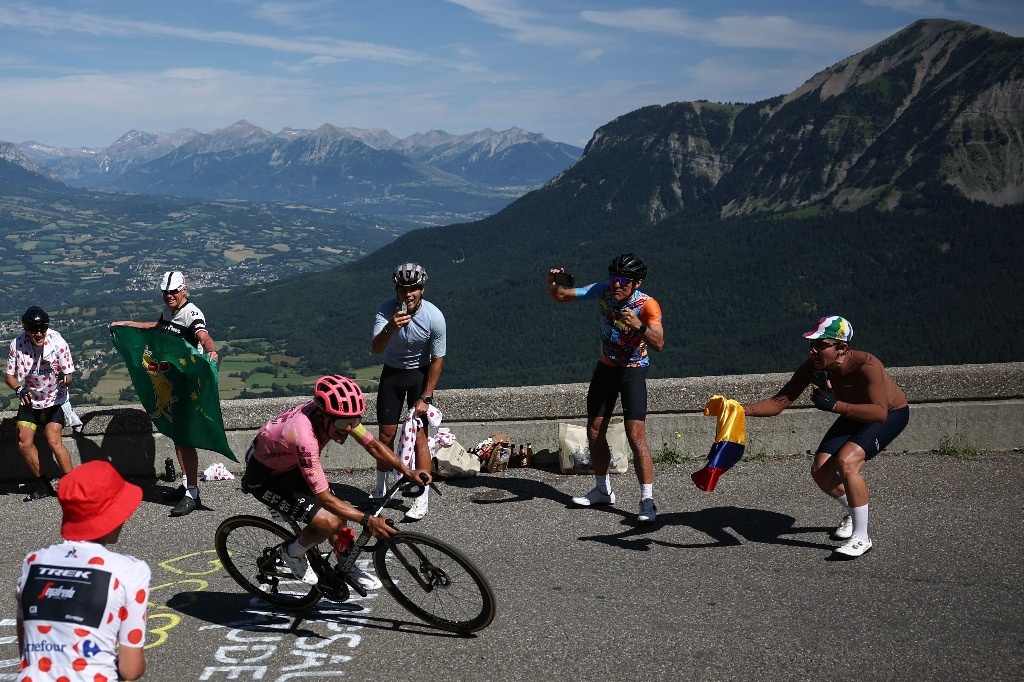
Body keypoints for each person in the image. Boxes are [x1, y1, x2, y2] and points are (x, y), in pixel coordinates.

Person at [741, 315, 910, 558]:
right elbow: (779, 403)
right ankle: (854, 514)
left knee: (847, 461)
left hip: (888, 414)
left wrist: (835, 406)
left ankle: (862, 537)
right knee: (821, 472)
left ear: (842, 348)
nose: (813, 351)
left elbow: (879, 412)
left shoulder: (866, 365)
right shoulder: (813, 367)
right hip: (852, 412)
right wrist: (738, 408)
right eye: (811, 344)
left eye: (820, 345)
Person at [241, 374, 432, 588]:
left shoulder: (340, 418)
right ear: (323, 417)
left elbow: (374, 446)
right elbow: (324, 498)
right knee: (329, 522)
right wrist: (368, 520)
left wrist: (406, 470)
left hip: (290, 465)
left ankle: (345, 564)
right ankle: (291, 554)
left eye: (355, 421)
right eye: (343, 423)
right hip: (266, 478)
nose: (349, 429)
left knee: (341, 517)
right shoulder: (304, 437)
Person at [547, 253, 665, 524]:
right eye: (614, 279)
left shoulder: (647, 305)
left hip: (633, 372)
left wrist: (639, 327)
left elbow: (658, 342)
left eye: (623, 281)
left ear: (637, 282)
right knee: (594, 430)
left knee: (636, 437)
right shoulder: (602, 292)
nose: (616, 285)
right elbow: (561, 296)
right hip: (606, 368)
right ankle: (603, 490)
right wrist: (552, 284)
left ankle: (647, 500)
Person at [16, 460, 150, 681]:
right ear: (114, 514)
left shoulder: (33, 562)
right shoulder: (131, 570)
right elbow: (131, 669)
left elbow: (27, 650)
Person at [111, 270, 220, 517]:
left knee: (184, 439)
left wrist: (212, 352)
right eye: (165, 292)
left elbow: (203, 335)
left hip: (188, 384)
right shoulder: (170, 311)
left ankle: (192, 493)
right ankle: (186, 485)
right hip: (175, 382)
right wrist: (128, 325)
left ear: (184, 290)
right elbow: (158, 327)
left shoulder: (191, 313)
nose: (169, 296)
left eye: (173, 292)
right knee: (178, 437)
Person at [370, 262, 446, 520]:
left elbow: (438, 359)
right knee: (385, 436)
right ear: (397, 290)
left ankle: (421, 498)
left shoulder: (434, 316)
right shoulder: (386, 311)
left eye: (414, 289)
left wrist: (426, 396)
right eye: (404, 289)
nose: (408, 294)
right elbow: (376, 348)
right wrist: (391, 327)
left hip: (418, 375)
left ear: (422, 289)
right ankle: (380, 491)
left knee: (420, 438)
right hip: (391, 373)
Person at [5, 306, 77, 502]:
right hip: (30, 399)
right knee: (24, 442)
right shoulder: (17, 344)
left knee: (53, 442)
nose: (39, 334)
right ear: (26, 329)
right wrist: (19, 389)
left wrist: (64, 378)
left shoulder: (58, 342)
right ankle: (43, 485)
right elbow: (9, 376)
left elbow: (69, 377)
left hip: (55, 398)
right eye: (34, 330)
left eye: (42, 329)